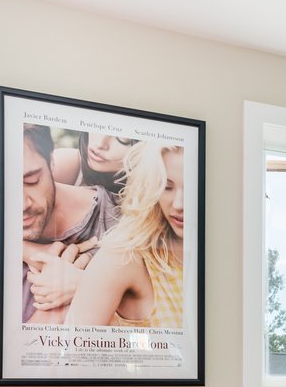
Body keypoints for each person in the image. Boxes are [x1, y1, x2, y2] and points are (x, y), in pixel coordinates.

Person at [66, 141, 185, 330]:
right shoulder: (124, 258)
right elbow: (71, 352)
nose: (179, 204)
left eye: (191, 189)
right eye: (166, 187)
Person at [20, 124, 120, 324]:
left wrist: (89, 284)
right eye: (2, 188)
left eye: (31, 180)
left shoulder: (119, 224)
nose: (22, 204)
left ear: (52, 161)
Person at [50, 132, 135, 197]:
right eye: (100, 126)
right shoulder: (66, 162)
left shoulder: (141, 197)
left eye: (123, 139)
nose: (100, 144)